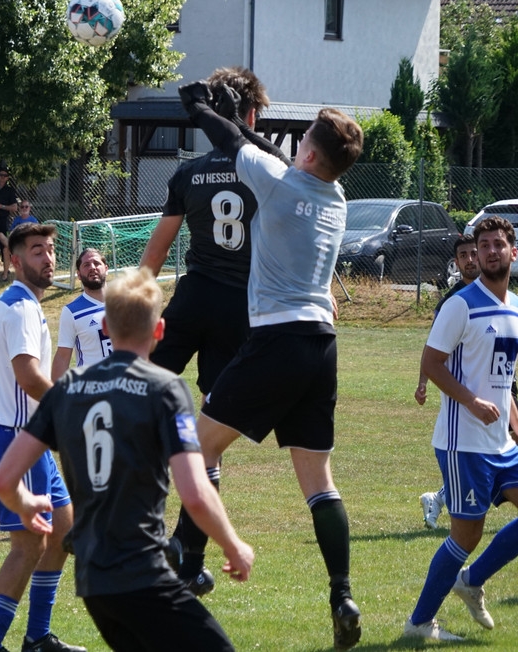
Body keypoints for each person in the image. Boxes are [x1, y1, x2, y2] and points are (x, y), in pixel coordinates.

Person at [179, 80, 364, 650]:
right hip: (322, 346)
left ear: (308, 154)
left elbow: (233, 144)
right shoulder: (336, 198)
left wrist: (201, 108)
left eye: (302, 138)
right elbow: (262, 150)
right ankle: (342, 594)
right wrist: (239, 121)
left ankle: (186, 563)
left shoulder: (277, 183)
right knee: (319, 483)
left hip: (276, 340)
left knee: (197, 448)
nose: (295, 144)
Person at [0, 268, 255, 652]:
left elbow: (4, 478)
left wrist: (24, 503)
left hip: (93, 582)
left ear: (105, 326)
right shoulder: (165, 389)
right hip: (142, 572)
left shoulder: (67, 389)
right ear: (159, 330)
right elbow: (195, 493)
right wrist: (234, 545)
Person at [139, 66, 275, 597]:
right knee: (212, 436)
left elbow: (155, 251)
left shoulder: (188, 172)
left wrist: (136, 309)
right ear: (251, 115)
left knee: (134, 393)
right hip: (243, 308)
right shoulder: (267, 169)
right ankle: (187, 550)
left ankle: (113, 509)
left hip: (192, 300)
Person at [403, 215, 518, 643]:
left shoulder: (515, 307)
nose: (489, 251)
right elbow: (432, 363)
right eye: (483, 245)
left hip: (501, 442)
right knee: (466, 534)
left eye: (497, 244)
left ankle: (471, 581)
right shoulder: (461, 305)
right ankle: (419, 624)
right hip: (463, 443)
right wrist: (470, 401)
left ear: (513, 252)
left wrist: (514, 423)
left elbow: (502, 378)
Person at [0, 222, 84, 652]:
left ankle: (37, 637)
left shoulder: (23, 302)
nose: (48, 257)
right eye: (37, 251)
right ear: (15, 260)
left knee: (62, 529)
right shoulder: (20, 305)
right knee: (28, 546)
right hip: (13, 438)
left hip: (27, 438)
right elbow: (28, 376)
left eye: (51, 249)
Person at [416, 234, 479, 529]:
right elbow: (433, 347)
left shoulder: (498, 293)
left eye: (474, 253)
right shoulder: (451, 303)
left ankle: (439, 497)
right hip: (467, 390)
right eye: (463, 255)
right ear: (456, 262)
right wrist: (423, 382)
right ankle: (441, 497)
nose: (470, 260)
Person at [50, 248, 111, 381]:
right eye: (86, 265)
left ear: (106, 268)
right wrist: (56, 392)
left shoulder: (125, 302)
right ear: (78, 274)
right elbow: (62, 357)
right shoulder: (72, 312)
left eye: (97, 263)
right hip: (92, 390)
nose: (92, 267)